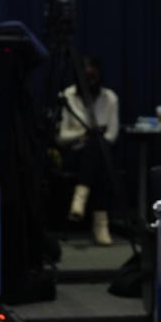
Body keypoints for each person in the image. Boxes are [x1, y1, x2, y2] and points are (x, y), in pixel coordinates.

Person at [57, 56, 120, 245]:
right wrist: (84, 133)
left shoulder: (110, 98)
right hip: (73, 153)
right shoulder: (66, 97)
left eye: (93, 77)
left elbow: (112, 135)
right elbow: (61, 137)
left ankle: (80, 197)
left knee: (98, 147)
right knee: (96, 147)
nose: (90, 81)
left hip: (101, 151)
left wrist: (94, 138)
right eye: (86, 77)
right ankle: (101, 224)